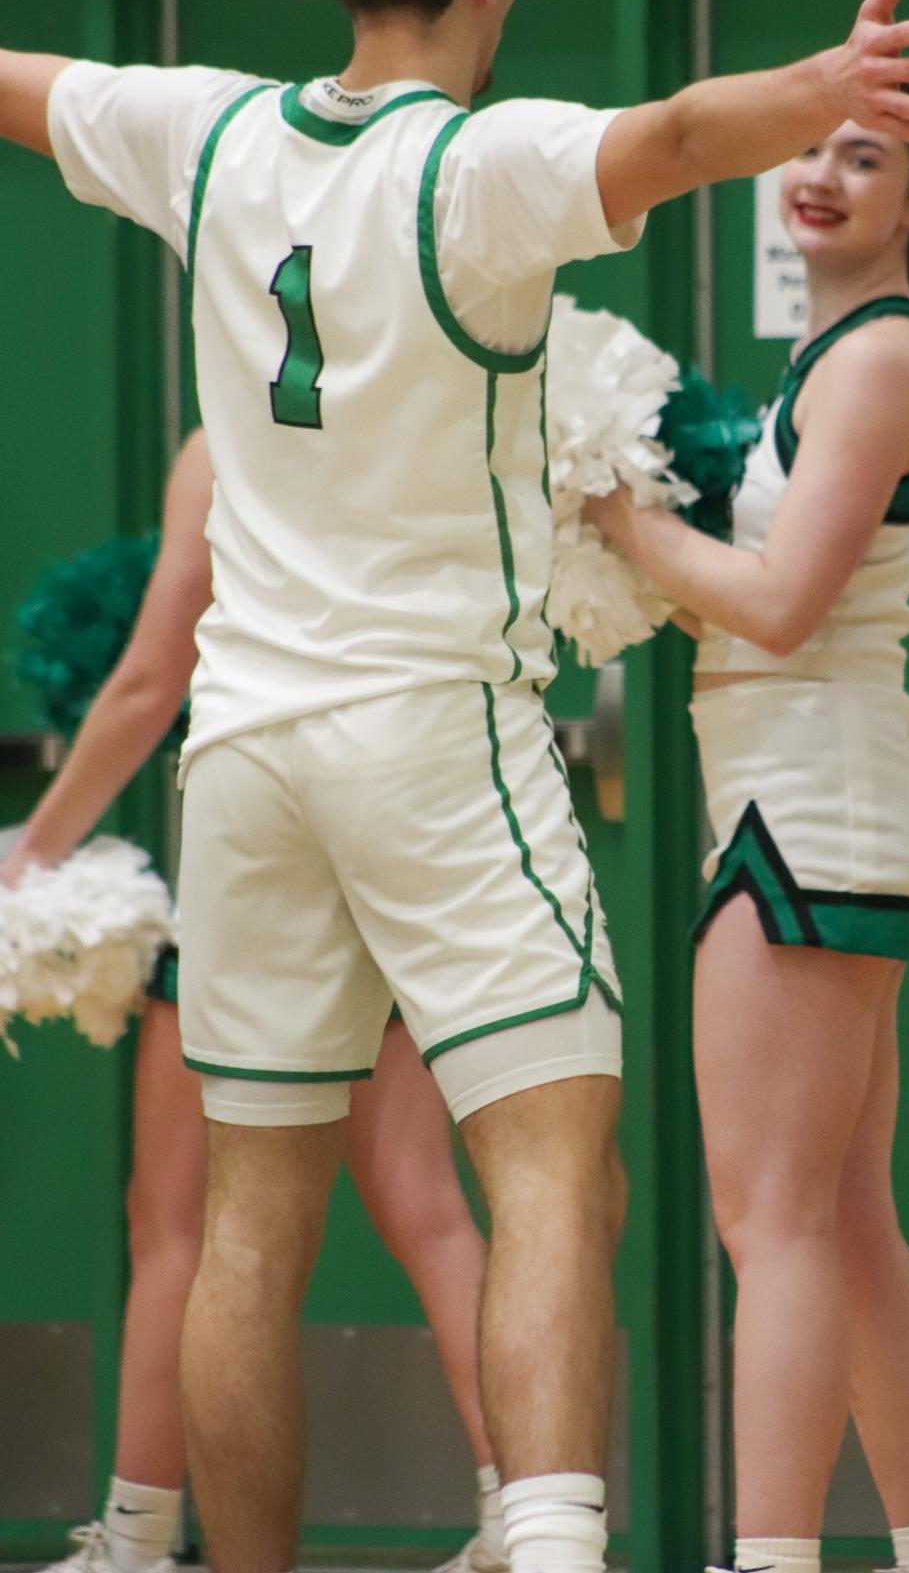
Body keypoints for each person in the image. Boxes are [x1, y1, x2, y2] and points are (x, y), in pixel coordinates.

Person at [0, 0, 909, 1573]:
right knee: (548, 1177)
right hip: (431, 725)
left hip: (246, 751)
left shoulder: (198, 130)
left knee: (243, 1232)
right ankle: (548, 1545)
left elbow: (21, 80)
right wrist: (827, 80)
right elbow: (676, 134)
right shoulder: (481, 162)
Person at [0, 427, 504, 1573]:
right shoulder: (422, 396)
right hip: (404, 823)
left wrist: (35, 845)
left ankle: (136, 1539)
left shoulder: (220, 437)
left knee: (179, 1218)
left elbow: (146, 683)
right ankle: (519, 1519)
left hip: (268, 840)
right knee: (427, 1205)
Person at [587, 115, 909, 1573]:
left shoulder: (881, 355)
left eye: (864, 158)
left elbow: (781, 601)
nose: (818, 172)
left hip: (804, 811)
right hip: (805, 801)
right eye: (807, 147)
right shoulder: (846, 354)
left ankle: (771, 1557)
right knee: (842, 1223)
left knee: (773, 1222)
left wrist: (621, 519)